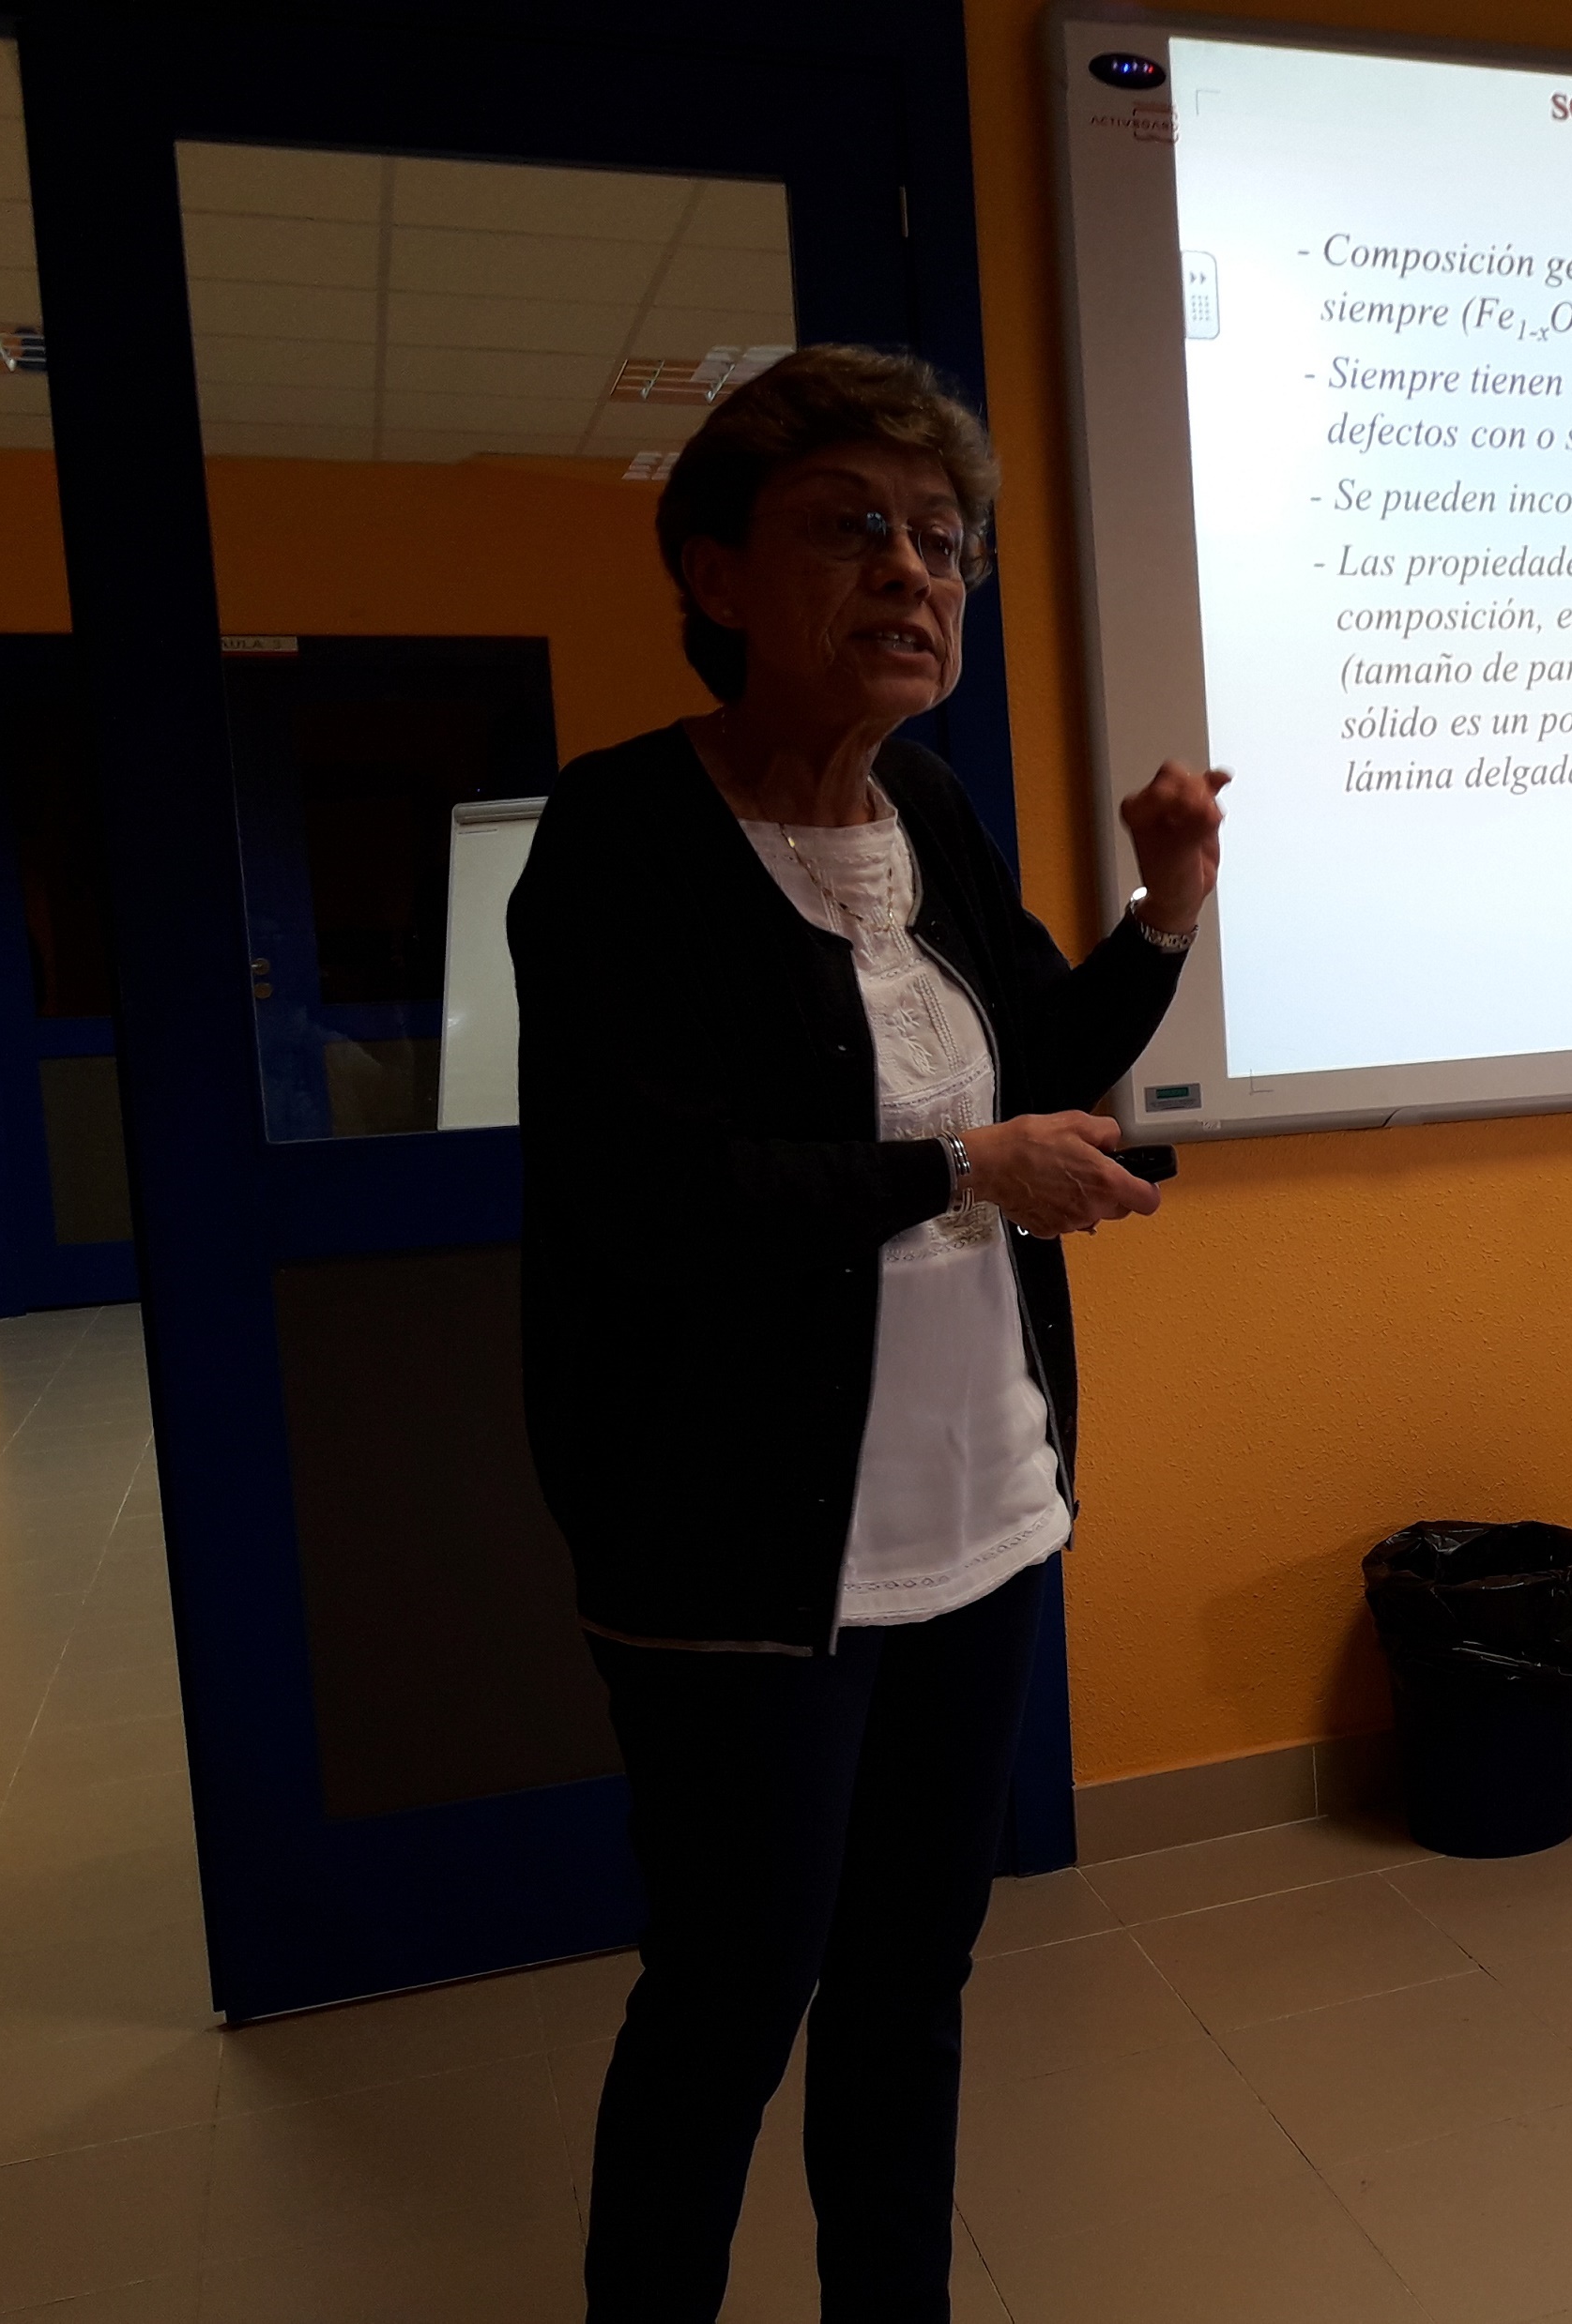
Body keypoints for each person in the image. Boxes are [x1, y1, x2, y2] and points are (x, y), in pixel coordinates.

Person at [509, 342, 1227, 2321]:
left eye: (942, 541)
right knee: (730, 1996)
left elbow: (1042, 1058)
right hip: (740, 1551)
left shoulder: (925, 801)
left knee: (912, 1981)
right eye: (854, 531)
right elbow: (650, 1198)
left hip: (979, 1505)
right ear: (717, 575)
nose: (916, 572)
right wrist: (966, 1169)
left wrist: (1165, 905)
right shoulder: (620, 837)